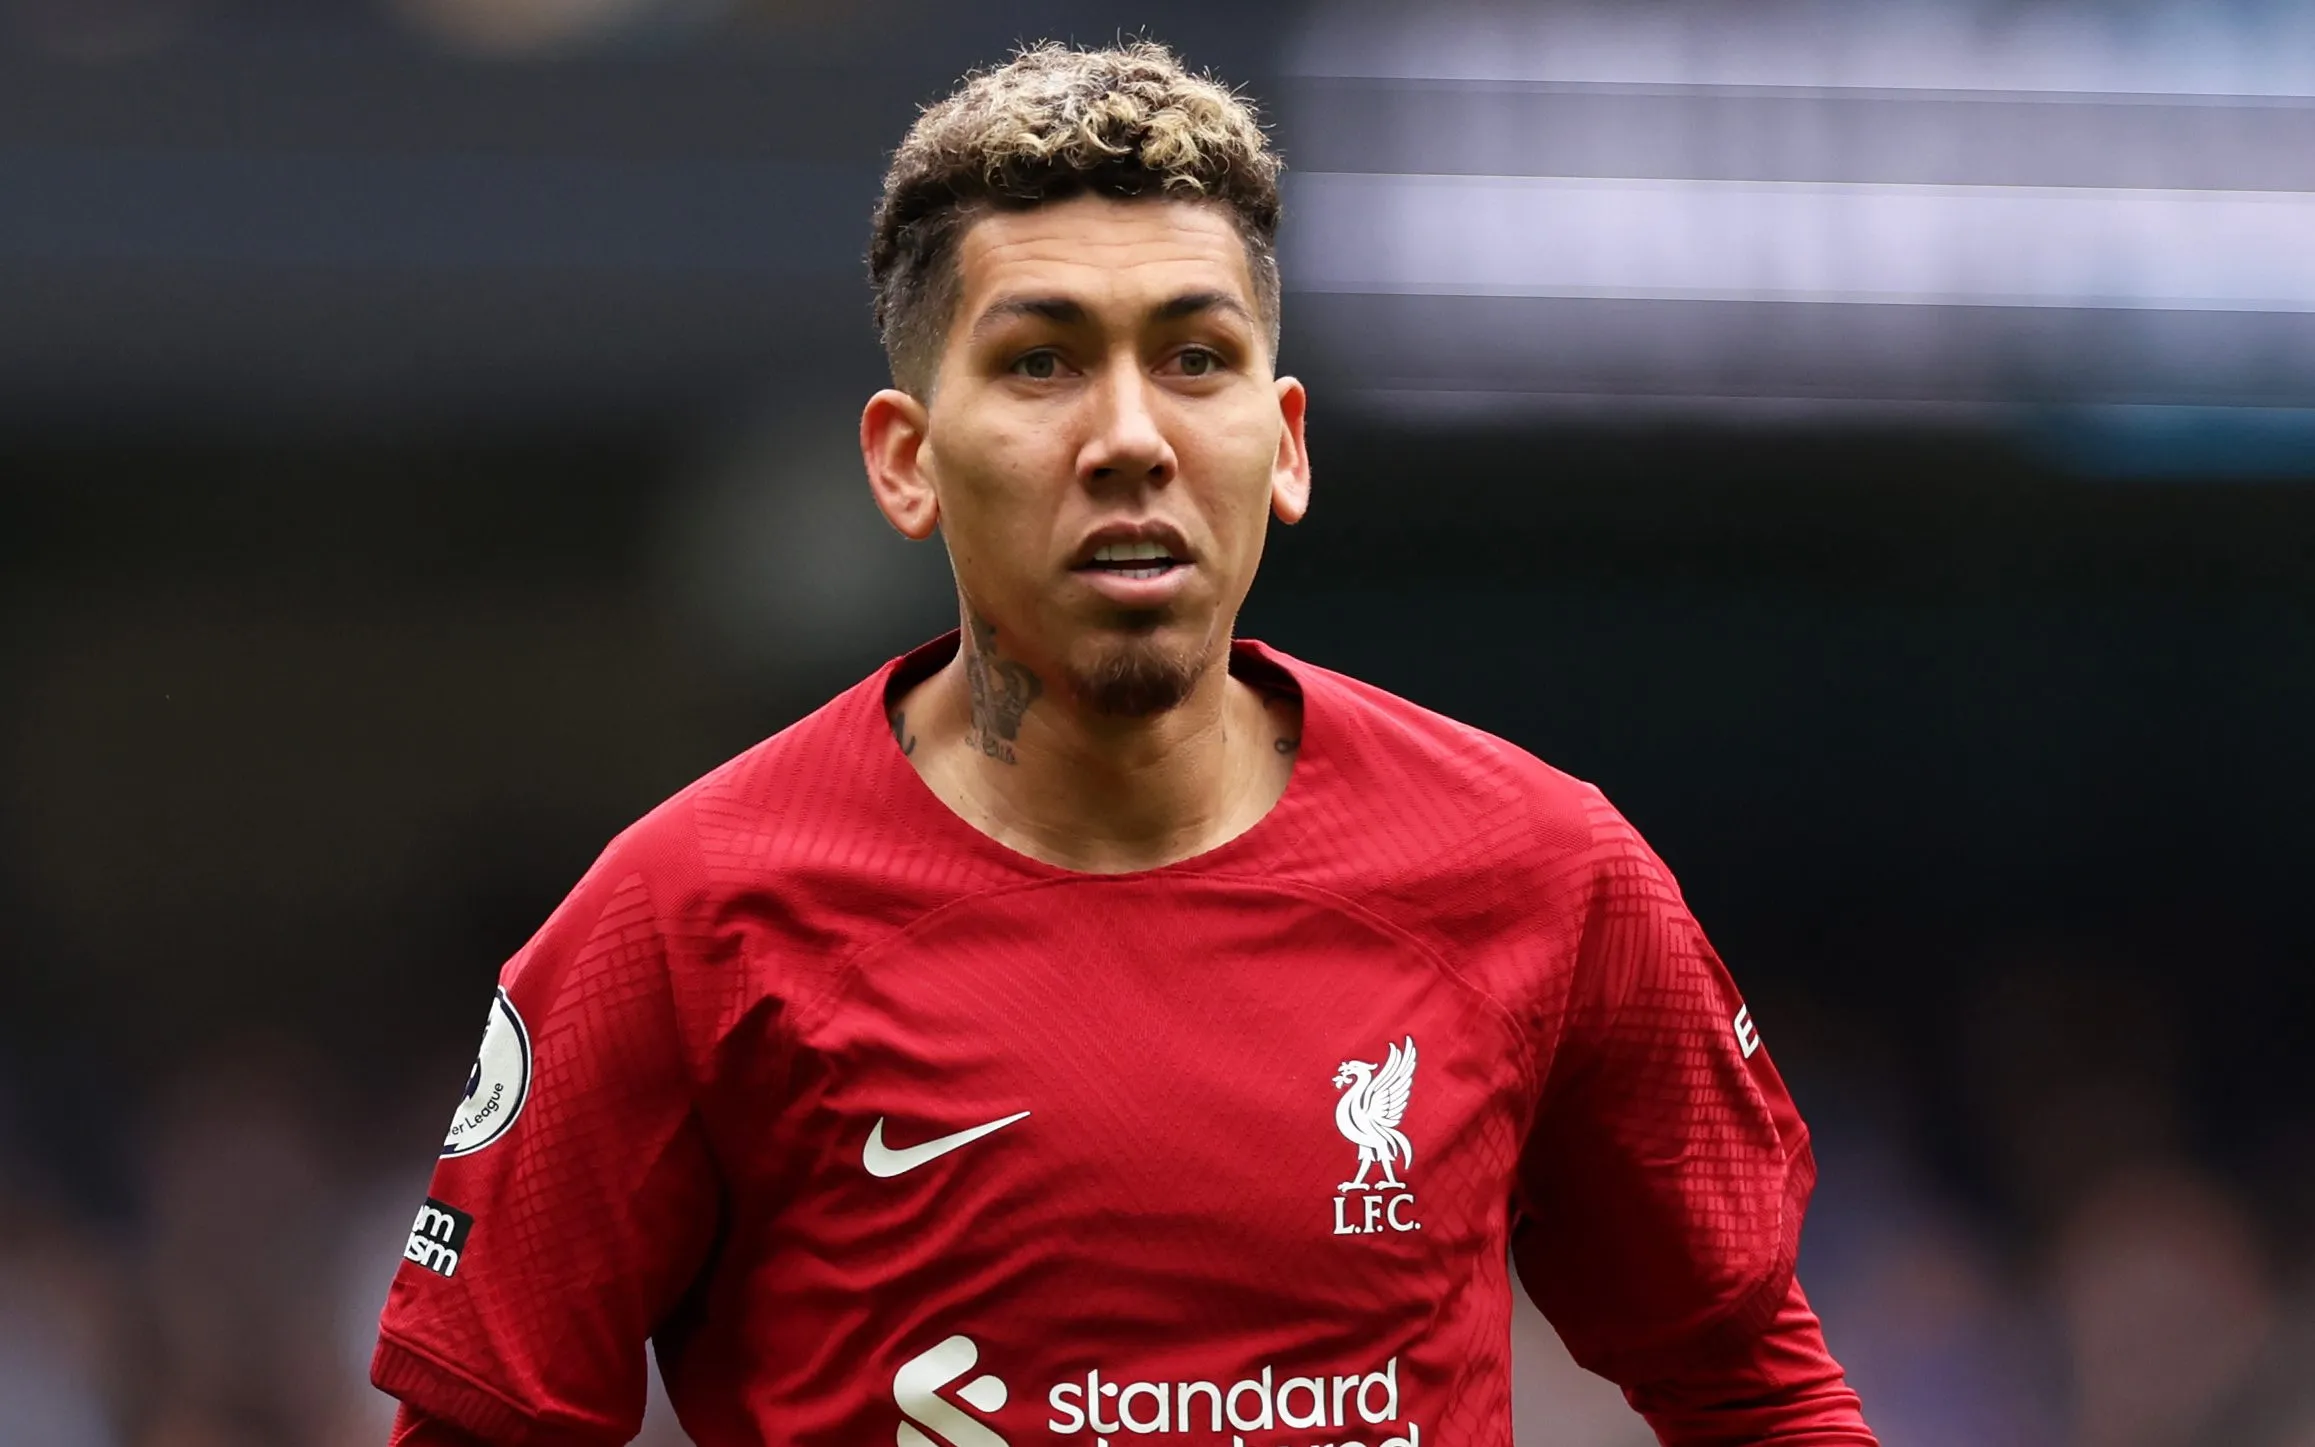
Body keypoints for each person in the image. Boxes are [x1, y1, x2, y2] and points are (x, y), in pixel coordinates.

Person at [373, 41, 1878, 1447]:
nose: (1131, 437)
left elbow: (1752, 1385)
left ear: (1285, 443)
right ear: (906, 459)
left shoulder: (1548, 874)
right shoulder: (684, 920)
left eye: (1195, 358)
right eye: (1041, 361)